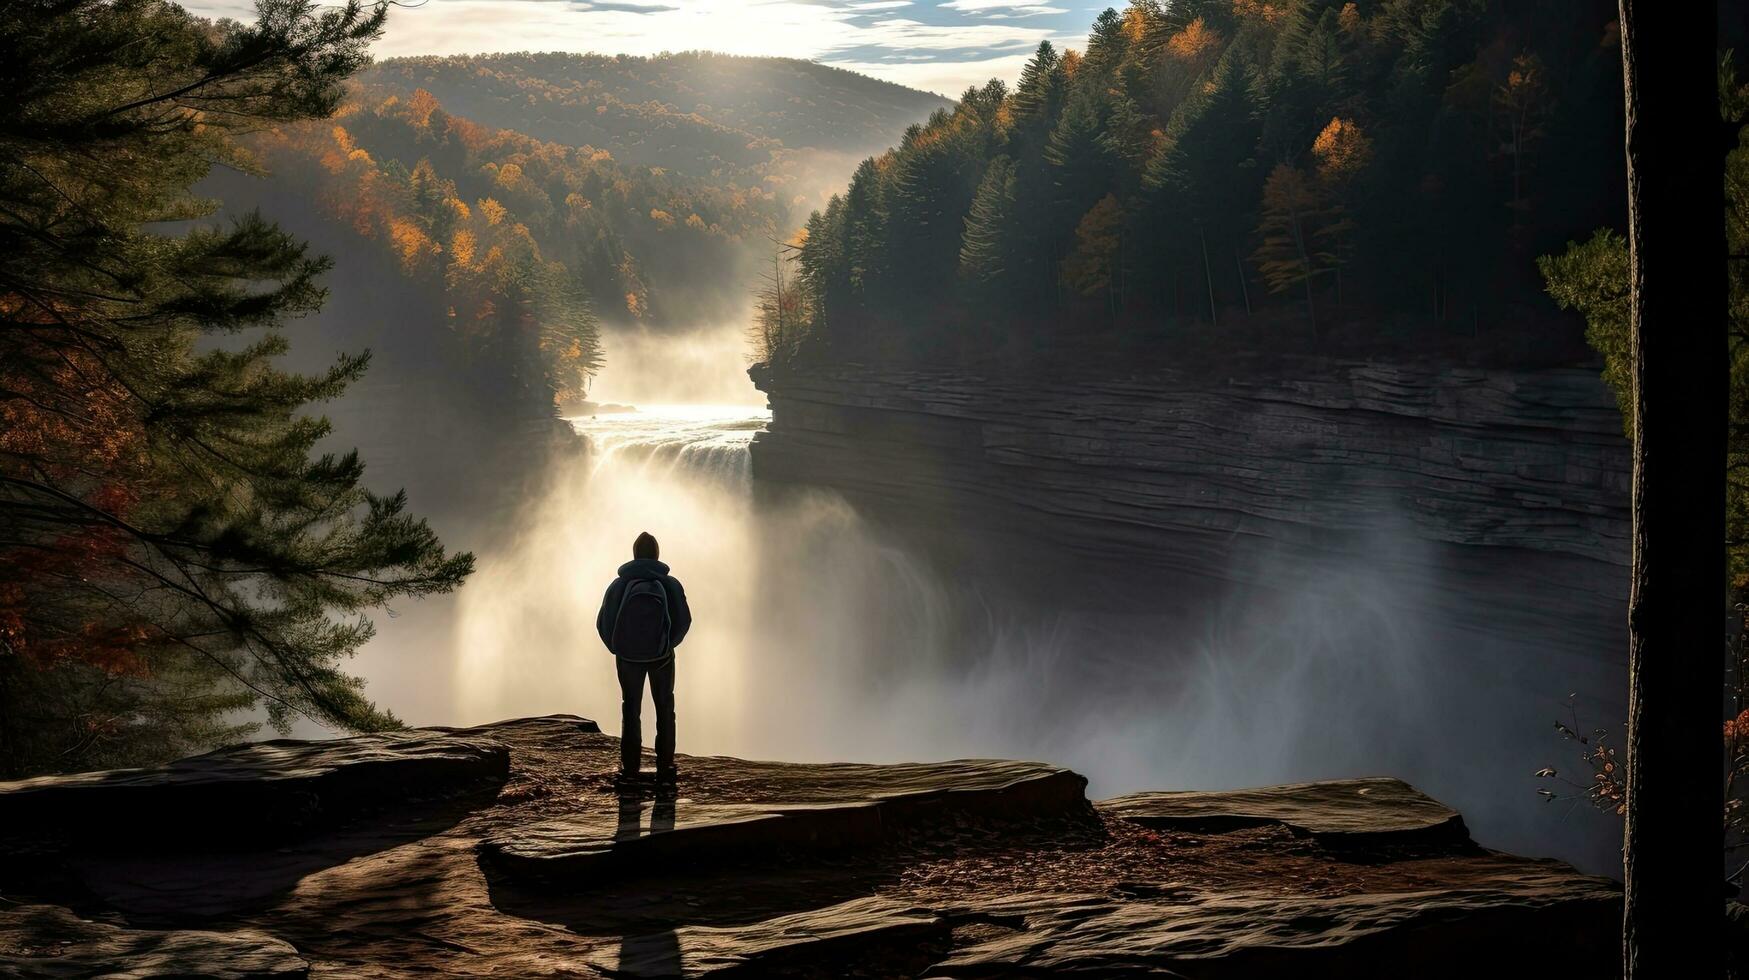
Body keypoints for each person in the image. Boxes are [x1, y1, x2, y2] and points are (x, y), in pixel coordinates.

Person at [597, 531, 691, 788]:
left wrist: (618, 648)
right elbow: (684, 620)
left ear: (635, 554)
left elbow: (603, 622)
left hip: (628, 659)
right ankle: (665, 766)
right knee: (665, 708)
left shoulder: (619, 585)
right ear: (657, 554)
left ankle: (630, 768)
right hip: (662, 657)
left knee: (631, 709)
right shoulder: (670, 584)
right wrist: (667, 645)